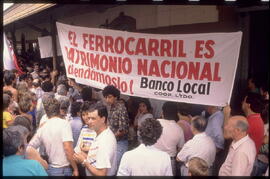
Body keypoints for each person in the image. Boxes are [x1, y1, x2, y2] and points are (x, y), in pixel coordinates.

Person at [29, 98, 78, 176]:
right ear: (59, 109)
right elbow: (67, 148)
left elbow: (29, 147)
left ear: (46, 111)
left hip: (52, 169)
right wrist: (75, 168)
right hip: (63, 169)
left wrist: (41, 162)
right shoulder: (64, 124)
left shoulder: (43, 127)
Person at [73, 103, 117, 176]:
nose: (89, 121)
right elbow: (97, 160)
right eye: (89, 118)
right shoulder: (101, 135)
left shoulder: (105, 141)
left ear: (103, 119)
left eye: (93, 118)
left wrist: (84, 161)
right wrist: (86, 156)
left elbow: (101, 174)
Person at [154, 101, 185, 176]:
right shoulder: (179, 129)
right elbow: (181, 149)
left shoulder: (155, 123)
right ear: (176, 113)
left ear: (162, 112)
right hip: (170, 161)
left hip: (153, 158)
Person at [102, 85, 129, 170]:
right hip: (112, 141)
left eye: (109, 97)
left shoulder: (121, 108)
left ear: (116, 97)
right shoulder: (111, 108)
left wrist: (111, 137)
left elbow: (123, 130)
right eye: (106, 97)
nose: (107, 100)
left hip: (120, 143)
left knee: (115, 168)